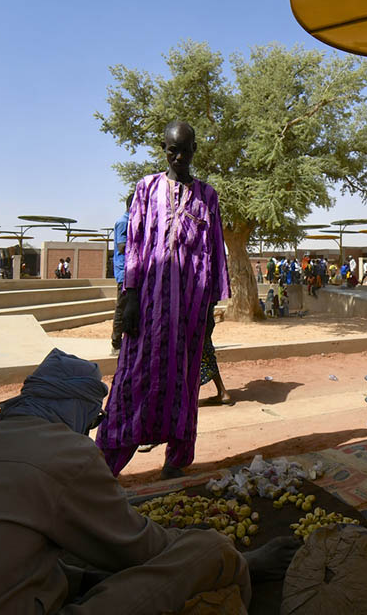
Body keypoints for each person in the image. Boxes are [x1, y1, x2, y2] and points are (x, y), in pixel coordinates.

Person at [0, 350, 297, 614]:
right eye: (92, 419)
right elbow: (140, 549)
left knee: (63, 565)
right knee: (210, 550)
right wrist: (215, 547)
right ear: (74, 410)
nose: (92, 429)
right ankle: (246, 569)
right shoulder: (67, 452)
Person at [97, 121, 229, 479]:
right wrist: (131, 296)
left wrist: (211, 309)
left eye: (186, 150)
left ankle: (176, 460)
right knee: (132, 378)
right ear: (164, 148)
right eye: (173, 150)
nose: (179, 157)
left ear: (195, 150)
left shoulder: (208, 196)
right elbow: (137, 245)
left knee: (183, 383)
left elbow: (214, 250)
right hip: (149, 307)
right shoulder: (147, 189)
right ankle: (106, 463)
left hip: (189, 310)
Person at [108, 194, 134, 355]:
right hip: (124, 271)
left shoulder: (133, 222)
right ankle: (116, 343)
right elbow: (122, 246)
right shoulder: (123, 222)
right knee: (122, 307)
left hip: (133, 271)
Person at [199, 311, 232, 406]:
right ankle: (222, 392)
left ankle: (222, 392)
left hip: (195, 317)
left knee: (197, 355)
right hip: (204, 316)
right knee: (205, 353)